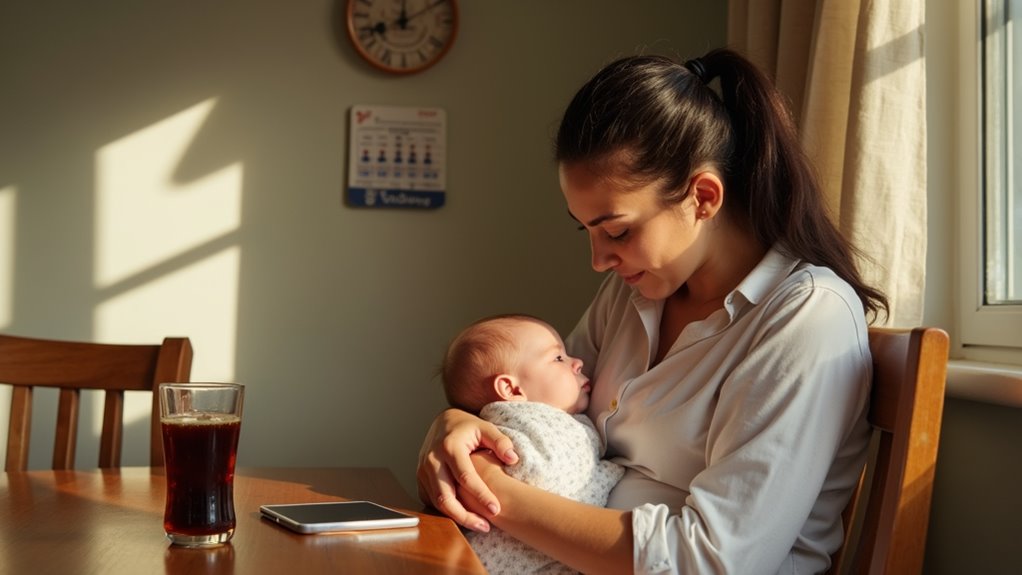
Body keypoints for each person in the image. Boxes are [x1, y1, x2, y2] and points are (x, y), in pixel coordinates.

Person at [417, 47, 889, 575]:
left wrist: (494, 491)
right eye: (588, 231)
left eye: (617, 231)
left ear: (703, 197)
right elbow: (538, 405)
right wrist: (457, 422)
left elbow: (711, 561)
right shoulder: (634, 291)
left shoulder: (805, 319)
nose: (599, 260)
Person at [441, 313, 625, 574]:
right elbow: (551, 475)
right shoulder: (534, 428)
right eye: (559, 358)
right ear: (512, 390)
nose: (578, 362)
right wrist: (610, 472)